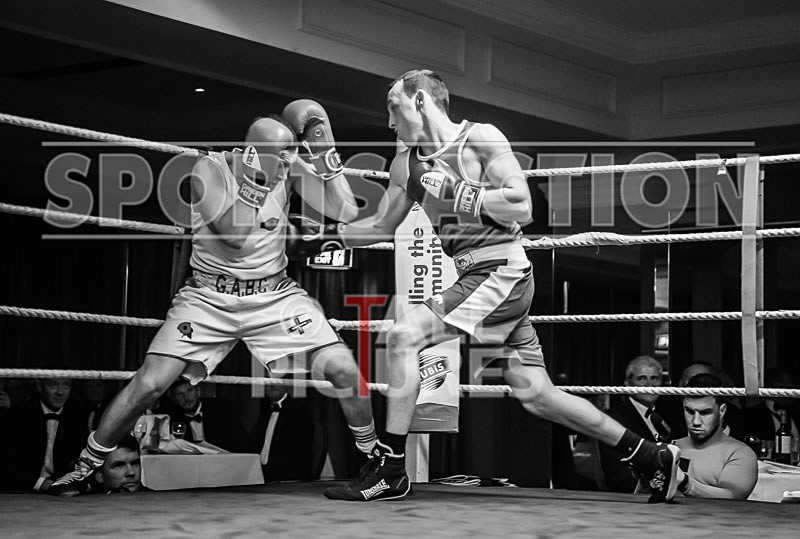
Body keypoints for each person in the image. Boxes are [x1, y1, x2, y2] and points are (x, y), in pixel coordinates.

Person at [320, 69, 679, 503]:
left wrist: (458, 192)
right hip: (478, 279)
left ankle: (391, 467)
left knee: (403, 336)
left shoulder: (480, 138)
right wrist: (327, 232)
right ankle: (648, 455)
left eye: (393, 108)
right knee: (538, 395)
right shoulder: (405, 165)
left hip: (501, 272)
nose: (390, 122)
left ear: (420, 100)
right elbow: (380, 225)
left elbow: (522, 206)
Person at [50, 101, 377, 495]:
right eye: (280, 153)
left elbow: (345, 210)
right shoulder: (209, 169)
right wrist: (257, 179)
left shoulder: (287, 167)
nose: (288, 161)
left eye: (291, 152)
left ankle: (376, 462)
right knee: (150, 384)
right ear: (253, 152)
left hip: (273, 295)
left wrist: (325, 154)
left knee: (345, 371)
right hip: (208, 296)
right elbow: (234, 235)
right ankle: (86, 466)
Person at [599, 356, 680, 493]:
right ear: (628, 383)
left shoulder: (672, 411)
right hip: (637, 495)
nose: (649, 385)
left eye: (654, 378)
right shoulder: (616, 418)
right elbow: (617, 473)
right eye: (642, 378)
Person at [674, 374, 757, 500]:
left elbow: (732, 498)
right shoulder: (672, 446)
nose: (696, 421)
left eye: (705, 412)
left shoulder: (740, 453)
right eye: (690, 411)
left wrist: (685, 484)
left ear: (722, 411)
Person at [0, 378, 87, 492]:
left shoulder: (77, 415)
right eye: (53, 385)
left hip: (63, 494)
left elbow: (82, 461)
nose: (60, 392)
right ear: (39, 386)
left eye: (66, 385)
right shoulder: (18, 415)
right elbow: (7, 463)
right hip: (20, 491)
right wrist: (41, 483)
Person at [156, 379, 248, 452]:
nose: (186, 397)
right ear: (174, 399)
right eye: (180, 394)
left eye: (189, 390)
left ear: (198, 391)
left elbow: (240, 441)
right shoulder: (171, 419)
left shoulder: (222, 409)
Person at [251, 382, 318, 481]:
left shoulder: (299, 410)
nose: (272, 384)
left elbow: (298, 454)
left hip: (288, 479)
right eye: (267, 380)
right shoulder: (265, 411)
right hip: (263, 475)